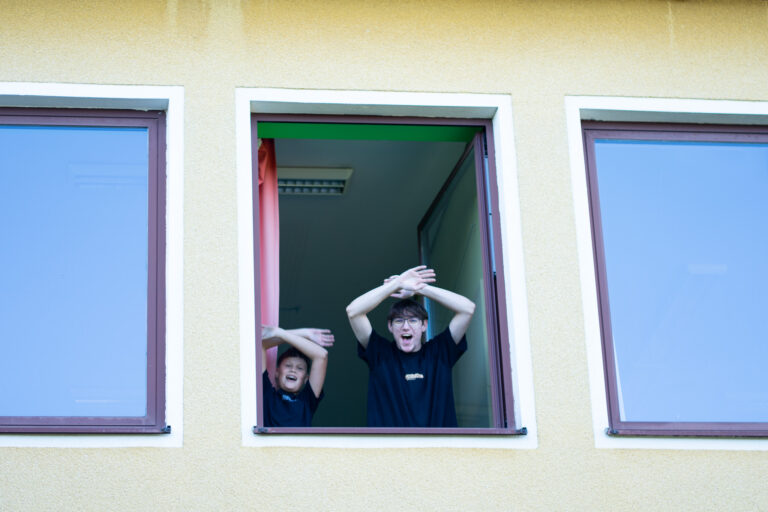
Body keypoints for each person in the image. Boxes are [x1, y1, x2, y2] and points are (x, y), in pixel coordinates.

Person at [346, 265, 475, 427]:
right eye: (399, 321)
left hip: (438, 450)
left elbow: (467, 309)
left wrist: (420, 288)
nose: (406, 327)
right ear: (390, 326)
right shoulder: (380, 354)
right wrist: (397, 284)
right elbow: (353, 311)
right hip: (392, 451)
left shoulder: (439, 353)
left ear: (424, 325)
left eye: (413, 320)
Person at [261, 326, 334, 427]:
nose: (293, 370)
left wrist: (281, 333)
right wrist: (303, 333)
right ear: (277, 372)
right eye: (288, 365)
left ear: (306, 379)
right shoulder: (266, 395)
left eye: (300, 368)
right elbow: (261, 345)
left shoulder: (307, 401)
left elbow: (321, 356)